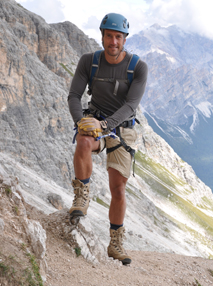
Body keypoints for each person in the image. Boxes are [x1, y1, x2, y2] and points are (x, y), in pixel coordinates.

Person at [67, 13, 148, 265]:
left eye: (118, 37)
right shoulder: (88, 62)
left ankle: (115, 243)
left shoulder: (138, 67)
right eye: (109, 36)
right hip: (95, 121)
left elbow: (131, 106)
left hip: (121, 129)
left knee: (118, 188)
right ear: (102, 36)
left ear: (125, 40)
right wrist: (82, 121)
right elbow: (74, 96)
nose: (113, 41)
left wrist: (104, 125)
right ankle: (82, 196)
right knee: (82, 141)